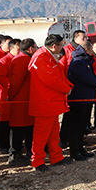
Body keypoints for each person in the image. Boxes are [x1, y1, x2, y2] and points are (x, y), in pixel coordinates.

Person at [28, 34, 73, 171]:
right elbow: (50, 79)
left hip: (51, 102)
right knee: (41, 134)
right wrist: (66, 89)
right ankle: (37, 161)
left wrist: (67, 86)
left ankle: (56, 156)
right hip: (45, 103)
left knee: (53, 132)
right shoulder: (41, 58)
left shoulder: (47, 56)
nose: (61, 48)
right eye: (60, 45)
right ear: (54, 46)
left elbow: (56, 76)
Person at [66, 40, 96, 160]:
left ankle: (81, 149)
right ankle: (75, 151)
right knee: (76, 127)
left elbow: (92, 75)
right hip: (78, 100)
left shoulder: (85, 61)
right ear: (87, 50)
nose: (92, 52)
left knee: (82, 127)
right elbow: (86, 78)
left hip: (86, 99)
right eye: (91, 50)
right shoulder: (78, 62)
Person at [8, 38, 37, 165]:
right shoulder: (21, 60)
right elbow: (15, 83)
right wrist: (12, 97)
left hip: (26, 100)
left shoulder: (25, 59)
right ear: (30, 48)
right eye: (35, 47)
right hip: (20, 101)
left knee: (27, 128)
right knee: (18, 129)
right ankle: (14, 155)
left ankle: (29, 153)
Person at [0, 38, 21, 156]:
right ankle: (4, 145)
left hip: (17, 94)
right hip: (6, 94)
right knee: (4, 122)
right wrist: (12, 84)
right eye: (18, 48)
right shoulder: (4, 61)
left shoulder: (20, 60)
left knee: (15, 121)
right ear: (11, 49)